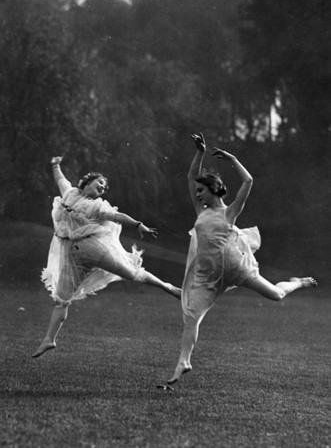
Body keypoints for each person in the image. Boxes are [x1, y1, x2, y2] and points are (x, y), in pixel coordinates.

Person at [163, 133, 317, 386]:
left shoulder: (229, 213)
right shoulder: (199, 213)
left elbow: (248, 180)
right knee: (191, 316)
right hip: (209, 277)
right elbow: (191, 178)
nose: (198, 194)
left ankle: (297, 282)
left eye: (202, 191)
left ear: (214, 189)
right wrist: (199, 153)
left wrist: (232, 158)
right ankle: (184, 361)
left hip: (238, 269)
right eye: (197, 192)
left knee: (276, 295)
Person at [32, 156, 181, 358]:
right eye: (99, 182)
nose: (103, 187)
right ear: (87, 182)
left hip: (94, 249)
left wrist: (137, 224)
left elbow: (116, 216)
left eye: (104, 186)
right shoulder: (69, 194)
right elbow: (61, 179)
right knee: (61, 300)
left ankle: (169, 287)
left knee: (131, 273)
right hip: (72, 257)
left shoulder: (96, 206)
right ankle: (49, 340)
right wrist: (55, 165)